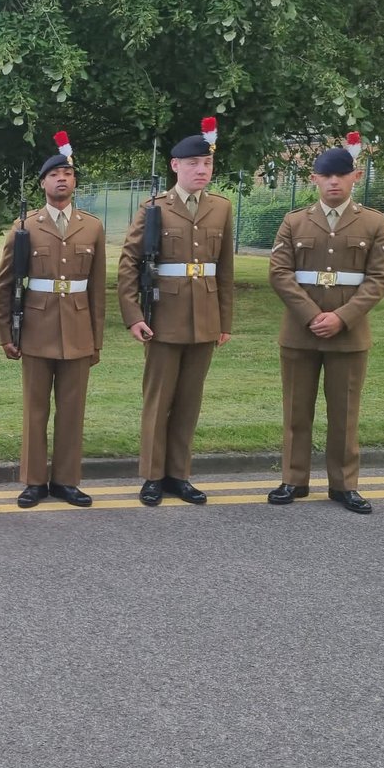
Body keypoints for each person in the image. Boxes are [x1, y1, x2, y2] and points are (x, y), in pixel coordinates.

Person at [267, 133, 384, 514]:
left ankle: (343, 484)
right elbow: (280, 273)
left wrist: (341, 317)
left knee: (344, 411)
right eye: (327, 176)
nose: (334, 182)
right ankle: (294, 478)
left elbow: (380, 278)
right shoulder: (294, 222)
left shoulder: (374, 222)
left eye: (342, 175)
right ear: (314, 179)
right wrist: (312, 316)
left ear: (356, 176)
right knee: (296, 409)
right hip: (299, 332)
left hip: (349, 333)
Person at [118, 118, 234, 507]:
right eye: (194, 164)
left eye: (207, 164)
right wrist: (134, 314)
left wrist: (224, 321)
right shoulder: (154, 207)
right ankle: (152, 475)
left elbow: (225, 269)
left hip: (204, 317)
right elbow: (129, 262)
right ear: (175, 166)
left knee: (189, 401)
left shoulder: (221, 208)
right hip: (163, 317)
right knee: (159, 399)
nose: (202, 170)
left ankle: (178, 474)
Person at [0, 133, 106, 508]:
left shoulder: (92, 226)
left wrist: (96, 338)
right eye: (55, 174)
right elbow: (6, 283)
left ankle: (66, 481)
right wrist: (6, 332)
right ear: (42, 183)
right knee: (36, 408)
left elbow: (96, 288)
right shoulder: (25, 225)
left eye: (68, 173)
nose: (62, 179)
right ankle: (33, 481)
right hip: (37, 327)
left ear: (75, 182)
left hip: (77, 327)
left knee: (73, 408)